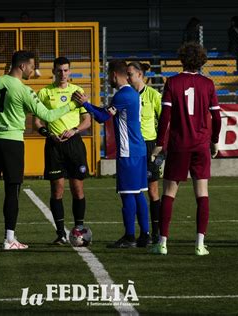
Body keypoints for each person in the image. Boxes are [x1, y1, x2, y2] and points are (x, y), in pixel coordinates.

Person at [0, 50, 78, 250]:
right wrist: (73, 105)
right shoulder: (24, 90)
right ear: (22, 66)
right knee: (12, 190)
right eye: (32, 67)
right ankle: (9, 239)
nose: (33, 71)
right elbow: (48, 115)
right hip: (12, 143)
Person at [149, 42, 222, 256]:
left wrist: (160, 143)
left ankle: (162, 243)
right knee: (202, 193)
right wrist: (214, 140)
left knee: (170, 193)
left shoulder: (172, 82)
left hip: (179, 144)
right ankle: (200, 244)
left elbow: (165, 117)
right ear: (201, 60)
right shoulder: (208, 84)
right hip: (200, 144)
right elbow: (217, 117)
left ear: (181, 59)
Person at [73, 60, 149, 248]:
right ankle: (145, 235)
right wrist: (90, 106)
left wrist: (85, 104)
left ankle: (130, 237)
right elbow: (107, 112)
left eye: (108, 76)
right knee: (138, 193)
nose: (108, 79)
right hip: (138, 149)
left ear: (115, 74)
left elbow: (102, 117)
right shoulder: (131, 93)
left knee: (127, 194)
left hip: (128, 151)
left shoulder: (123, 95)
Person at [35, 57, 91, 245]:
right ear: (53, 71)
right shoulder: (44, 93)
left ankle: (78, 229)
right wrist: (48, 133)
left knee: (77, 188)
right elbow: (37, 122)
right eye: (59, 70)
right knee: (57, 190)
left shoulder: (77, 91)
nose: (63, 74)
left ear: (70, 71)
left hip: (74, 144)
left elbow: (87, 120)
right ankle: (60, 234)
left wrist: (75, 130)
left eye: (66, 70)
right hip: (54, 145)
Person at [126, 61, 162, 246]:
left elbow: (165, 121)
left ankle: (156, 232)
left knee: (152, 191)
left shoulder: (153, 96)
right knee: (134, 190)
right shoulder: (126, 95)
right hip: (132, 146)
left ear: (140, 75)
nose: (128, 77)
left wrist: (160, 148)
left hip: (149, 146)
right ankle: (143, 233)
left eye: (130, 74)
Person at [20, 11, 41, 77]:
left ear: (28, 19)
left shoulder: (33, 28)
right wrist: (23, 46)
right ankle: (16, 70)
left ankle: (36, 69)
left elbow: (37, 40)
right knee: (15, 52)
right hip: (21, 47)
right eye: (23, 18)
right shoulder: (18, 27)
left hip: (31, 48)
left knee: (36, 51)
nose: (24, 20)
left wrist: (31, 47)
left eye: (25, 18)